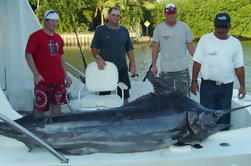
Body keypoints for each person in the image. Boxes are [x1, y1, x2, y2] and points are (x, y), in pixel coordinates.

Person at [190, 13, 246, 128]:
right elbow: (197, 62)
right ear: (214, 26)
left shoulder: (236, 43)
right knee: (206, 120)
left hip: (226, 88)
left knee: (224, 121)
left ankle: (224, 140)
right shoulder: (205, 39)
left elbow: (239, 66)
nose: (221, 30)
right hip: (207, 87)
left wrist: (242, 86)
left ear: (229, 27)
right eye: (218, 26)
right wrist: (194, 81)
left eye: (224, 27)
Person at [25, 10, 71, 117]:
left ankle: (55, 131)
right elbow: (28, 55)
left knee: (57, 105)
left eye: (56, 21)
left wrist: (65, 74)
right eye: (52, 21)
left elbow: (61, 56)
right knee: (41, 108)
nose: (55, 24)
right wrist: (36, 74)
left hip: (58, 79)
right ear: (45, 21)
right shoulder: (35, 36)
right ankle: (37, 129)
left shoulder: (58, 38)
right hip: (42, 80)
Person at [91, 7, 136, 105]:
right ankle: (105, 117)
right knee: (104, 95)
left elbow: (129, 49)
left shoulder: (124, 31)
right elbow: (94, 48)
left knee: (125, 94)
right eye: (113, 15)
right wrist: (98, 58)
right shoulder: (100, 30)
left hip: (122, 69)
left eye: (118, 15)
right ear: (108, 16)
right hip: (105, 69)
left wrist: (133, 63)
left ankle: (125, 114)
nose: (116, 17)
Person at [151, 3, 195, 96]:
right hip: (165, 71)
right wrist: (154, 65)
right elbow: (155, 48)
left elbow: (190, 46)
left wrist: (199, 60)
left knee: (184, 97)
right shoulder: (159, 29)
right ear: (165, 14)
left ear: (176, 13)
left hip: (182, 70)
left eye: (173, 12)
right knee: (165, 98)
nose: (171, 15)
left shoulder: (185, 27)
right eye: (169, 13)